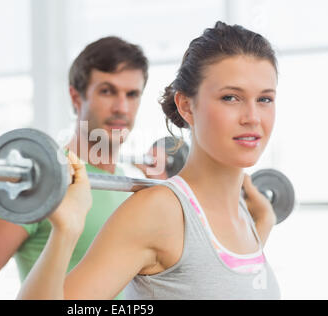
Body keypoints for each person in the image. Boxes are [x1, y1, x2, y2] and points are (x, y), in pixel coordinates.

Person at [17, 21, 282, 300]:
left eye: (265, 99)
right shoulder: (159, 211)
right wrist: (66, 230)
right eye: (230, 97)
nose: (252, 117)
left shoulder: (246, 216)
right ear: (186, 106)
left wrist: (263, 222)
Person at [0, 36, 154, 299]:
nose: (122, 107)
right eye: (107, 91)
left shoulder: (129, 185)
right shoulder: (42, 176)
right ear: (76, 96)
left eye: (132, 94)